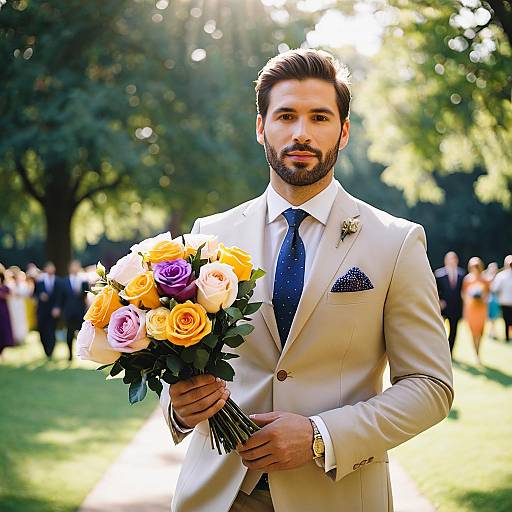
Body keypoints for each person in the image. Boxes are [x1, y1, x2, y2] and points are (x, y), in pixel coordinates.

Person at [159, 49, 454, 512]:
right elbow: (180, 363)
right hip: (218, 494)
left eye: (320, 117)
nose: (301, 133)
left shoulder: (396, 242)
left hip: (336, 495)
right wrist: (178, 406)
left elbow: (430, 385)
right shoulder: (207, 237)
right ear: (261, 128)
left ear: (345, 130)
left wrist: (321, 436)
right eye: (286, 116)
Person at [435, 251, 465, 354]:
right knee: (439, 330)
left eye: (454, 259)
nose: (452, 261)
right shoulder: (439, 274)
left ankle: (450, 353)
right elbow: (434, 290)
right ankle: (439, 351)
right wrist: (439, 300)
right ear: (446, 261)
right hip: (442, 308)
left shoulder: (462, 274)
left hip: (456, 308)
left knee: (453, 332)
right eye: (450, 259)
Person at [462, 257, 490, 365]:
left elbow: (488, 294)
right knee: (473, 332)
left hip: (481, 309)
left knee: (481, 332)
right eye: (473, 266)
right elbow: (464, 295)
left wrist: (483, 297)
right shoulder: (467, 280)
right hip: (471, 310)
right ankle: (476, 354)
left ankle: (479, 349)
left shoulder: (485, 279)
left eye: (477, 266)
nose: (475, 268)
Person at [61, 260, 89, 360]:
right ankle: (70, 355)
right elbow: (62, 298)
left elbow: (86, 296)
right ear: (70, 268)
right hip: (69, 312)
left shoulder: (84, 281)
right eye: (73, 266)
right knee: (69, 333)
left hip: (80, 311)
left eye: (77, 266)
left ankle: (83, 354)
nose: (75, 268)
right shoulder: (64, 282)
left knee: (82, 333)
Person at [34, 261, 62, 359]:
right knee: (42, 330)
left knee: (51, 330)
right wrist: (40, 296)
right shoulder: (40, 281)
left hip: (53, 311)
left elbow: (60, 296)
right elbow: (35, 293)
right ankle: (46, 349)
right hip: (42, 310)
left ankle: (51, 350)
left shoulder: (58, 281)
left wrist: (57, 307)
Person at [491, 255, 512, 342]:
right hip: (505, 302)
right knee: (507, 320)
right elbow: (494, 288)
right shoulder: (501, 276)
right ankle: (507, 337)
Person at [0, 270, 15, 360]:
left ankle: (2, 351)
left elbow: (10, 295)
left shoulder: (5, 288)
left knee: (3, 331)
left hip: (3, 311)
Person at [483, 262, 500, 339]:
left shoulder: (498, 277)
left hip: (495, 300)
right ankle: (491, 332)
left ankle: (492, 332)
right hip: (489, 299)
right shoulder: (487, 278)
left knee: (493, 318)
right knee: (490, 317)